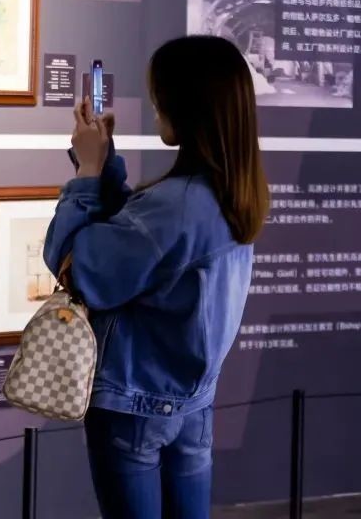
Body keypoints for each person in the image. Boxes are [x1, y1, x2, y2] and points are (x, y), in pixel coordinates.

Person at [44, 35, 269, 519]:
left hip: (135, 407)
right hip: (193, 402)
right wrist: (105, 166)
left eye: (160, 97)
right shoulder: (230, 193)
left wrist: (87, 172)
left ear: (186, 106)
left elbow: (74, 266)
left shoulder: (175, 205)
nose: (154, 108)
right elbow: (145, 247)